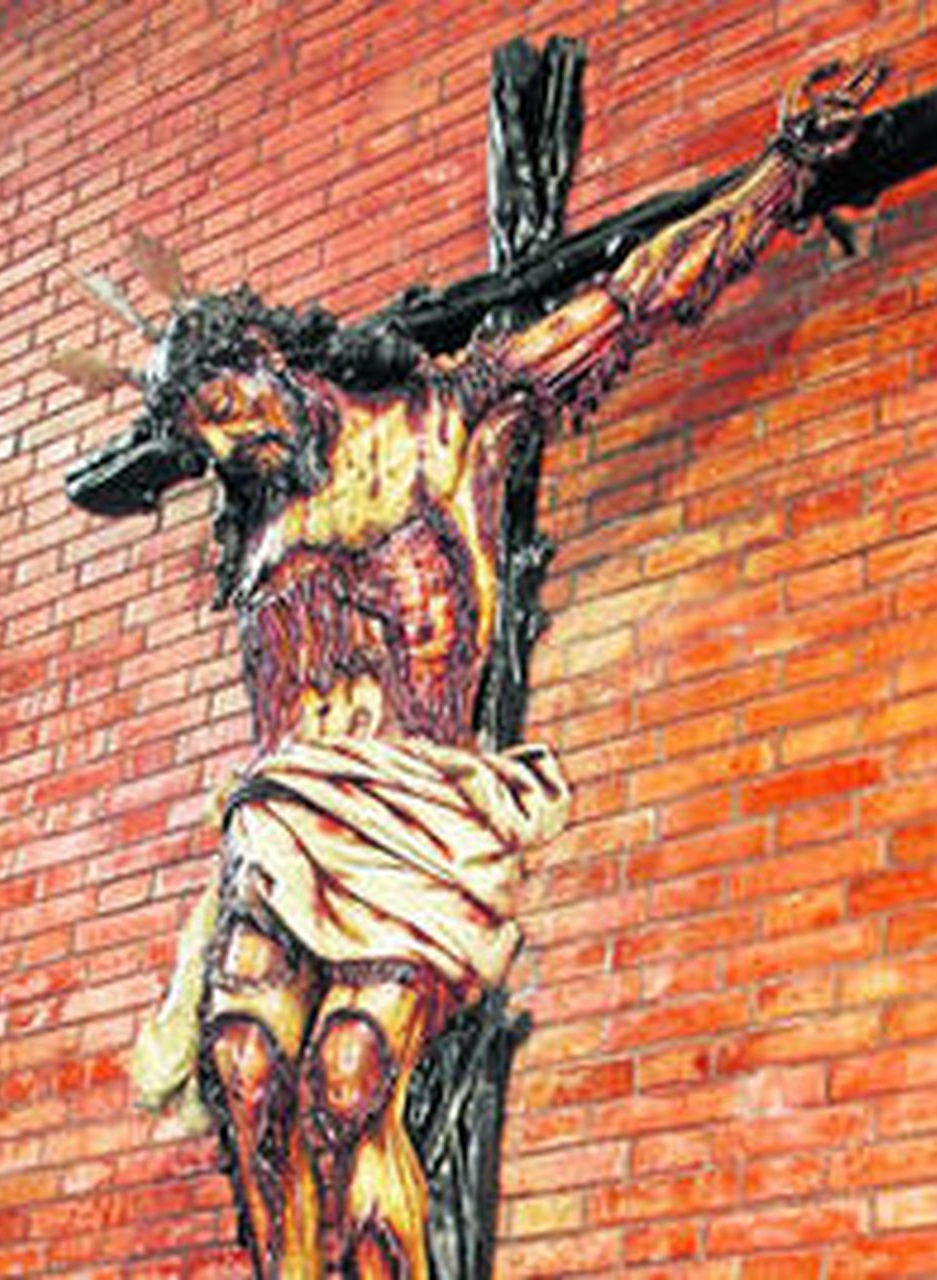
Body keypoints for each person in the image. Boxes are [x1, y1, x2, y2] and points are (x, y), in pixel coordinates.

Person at [82, 66, 880, 1280]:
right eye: (207, 442)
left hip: (417, 809)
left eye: (229, 411)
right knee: (243, 1066)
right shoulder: (257, 523)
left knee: (347, 1076)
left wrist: (782, 175)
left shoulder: (452, 421)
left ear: (267, 356)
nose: (234, 448)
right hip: (282, 814)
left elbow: (628, 300)